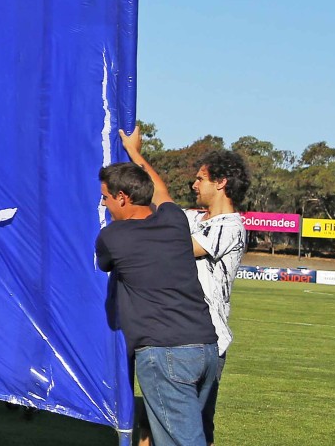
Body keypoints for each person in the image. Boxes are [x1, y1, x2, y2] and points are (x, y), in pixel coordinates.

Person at [101, 128, 220, 446]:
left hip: (165, 353)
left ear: (122, 198)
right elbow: (161, 191)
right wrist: (136, 153)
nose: (104, 204)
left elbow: (102, 266)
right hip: (205, 348)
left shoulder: (114, 237)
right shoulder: (175, 220)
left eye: (106, 197)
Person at [186, 150, 247, 446]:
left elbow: (188, 247)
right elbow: (159, 200)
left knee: (197, 426)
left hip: (208, 339)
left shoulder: (231, 226)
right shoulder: (194, 216)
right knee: (166, 422)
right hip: (182, 334)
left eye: (200, 179)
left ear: (221, 182)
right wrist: (135, 154)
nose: (194, 185)